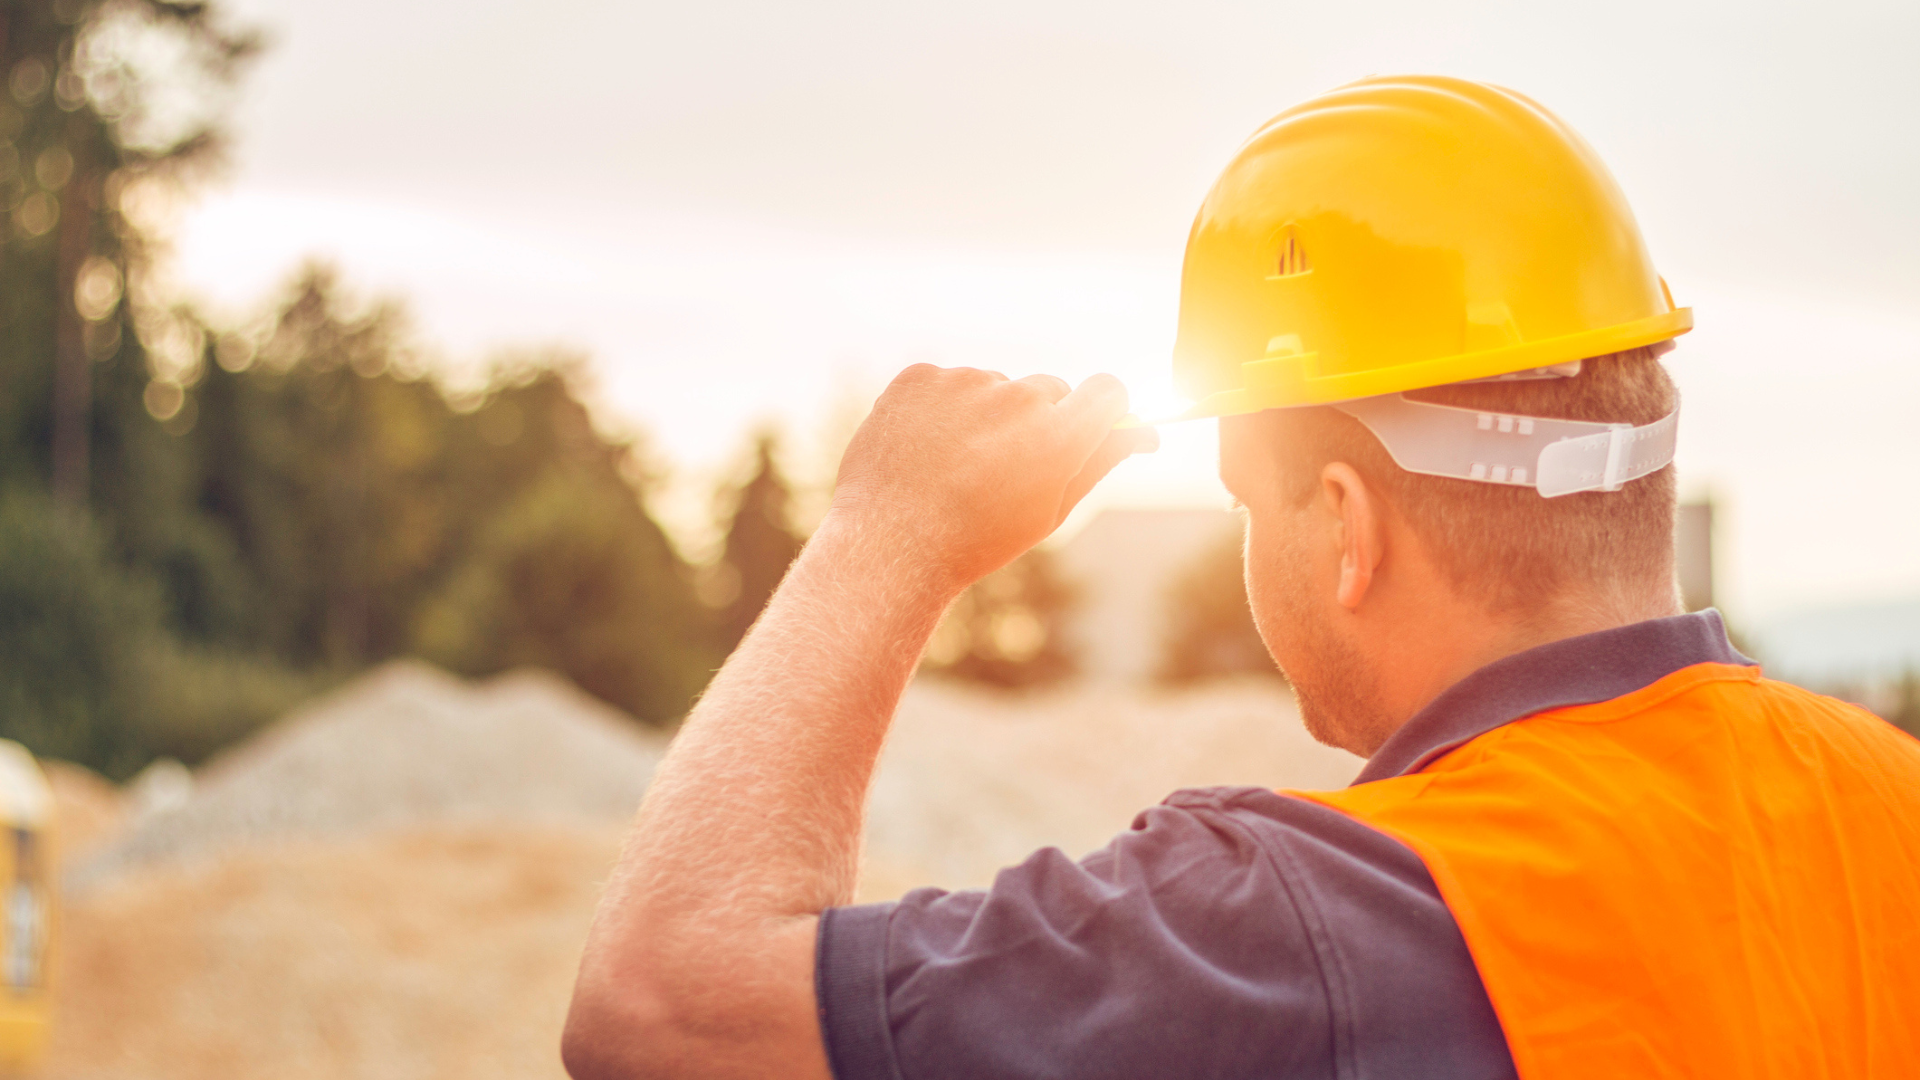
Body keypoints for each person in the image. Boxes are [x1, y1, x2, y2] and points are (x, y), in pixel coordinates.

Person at [563, 76, 1920, 1080]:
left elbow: (659, 1008)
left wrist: (887, 534)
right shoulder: (1888, 805)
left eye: (1245, 501)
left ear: (1345, 528)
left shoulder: (1292, 921)